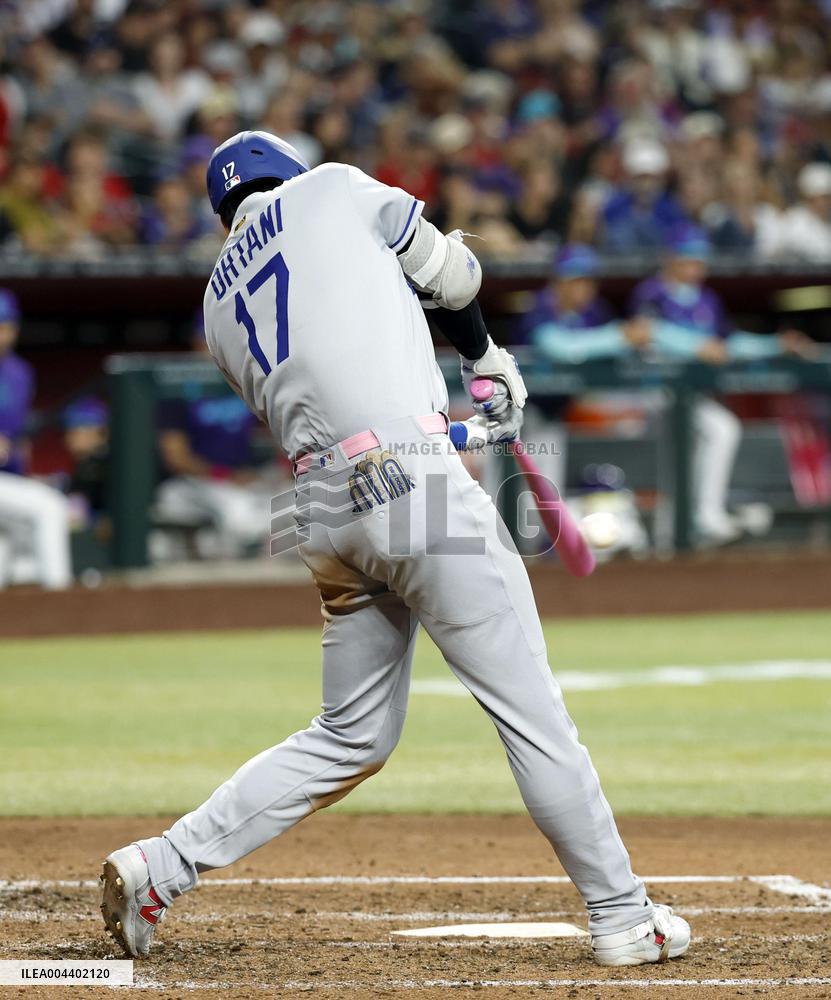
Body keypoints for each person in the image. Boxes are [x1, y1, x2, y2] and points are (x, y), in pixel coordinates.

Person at [100, 130, 690, 968]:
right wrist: (484, 358)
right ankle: (623, 916)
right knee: (531, 710)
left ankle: (160, 866)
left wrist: (446, 419)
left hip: (321, 511)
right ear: (286, 172)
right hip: (414, 484)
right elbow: (451, 276)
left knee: (350, 733)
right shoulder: (332, 188)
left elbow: (326, 393)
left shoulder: (214, 306)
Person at [630, 224, 812, 543]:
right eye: (688, 259)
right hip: (656, 390)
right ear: (671, 258)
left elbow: (728, 343)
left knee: (688, 456)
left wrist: (774, 344)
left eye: (700, 260)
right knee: (720, 429)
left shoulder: (707, 299)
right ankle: (705, 515)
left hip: (691, 394)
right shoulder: (652, 292)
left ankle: (670, 535)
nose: (696, 266)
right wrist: (694, 346)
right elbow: (647, 332)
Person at [153, 314, 276, 558]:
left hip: (241, 481)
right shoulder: (177, 388)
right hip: (193, 484)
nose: (211, 350)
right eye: (205, 342)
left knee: (299, 505)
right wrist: (226, 477)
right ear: (195, 343)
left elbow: (274, 433)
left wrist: (279, 469)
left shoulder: (243, 381)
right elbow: (175, 456)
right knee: (239, 518)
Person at [0, 288, 72, 589]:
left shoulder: (20, 373)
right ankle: (61, 601)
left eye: (6, 325)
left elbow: (20, 438)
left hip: (8, 481)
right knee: (50, 508)